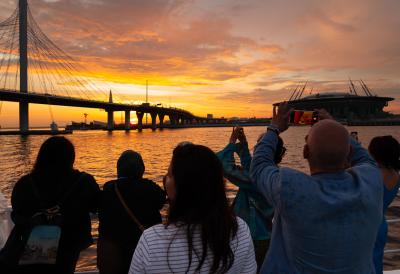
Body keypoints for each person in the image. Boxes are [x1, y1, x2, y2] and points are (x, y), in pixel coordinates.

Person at [250, 104, 383, 273]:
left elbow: (259, 166)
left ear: (305, 152)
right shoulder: (370, 182)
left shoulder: (291, 188)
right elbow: (366, 160)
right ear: (349, 151)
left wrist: (274, 128)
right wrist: (334, 126)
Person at [129, 143, 257, 273]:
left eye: (169, 174)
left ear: (181, 187)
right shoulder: (240, 231)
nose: (164, 179)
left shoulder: (151, 242)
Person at [9, 136, 100, 274]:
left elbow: (16, 214)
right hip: (69, 244)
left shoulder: (24, 183)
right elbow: (96, 206)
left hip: (33, 246)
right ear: (71, 157)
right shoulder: (84, 182)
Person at [217, 127, 282, 270]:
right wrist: (244, 144)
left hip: (252, 239)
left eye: (258, 147)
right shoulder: (273, 175)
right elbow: (251, 168)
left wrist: (232, 143)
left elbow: (224, 166)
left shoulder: (256, 179)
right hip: (264, 235)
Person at [97, 150, 166, 274]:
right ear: (141, 169)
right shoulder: (150, 188)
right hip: (144, 246)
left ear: (119, 169)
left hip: (114, 252)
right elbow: (161, 201)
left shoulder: (109, 188)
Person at [369, 136, 400, 274]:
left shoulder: (372, 174)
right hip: (381, 224)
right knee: (376, 261)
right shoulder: (395, 174)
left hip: (366, 224)